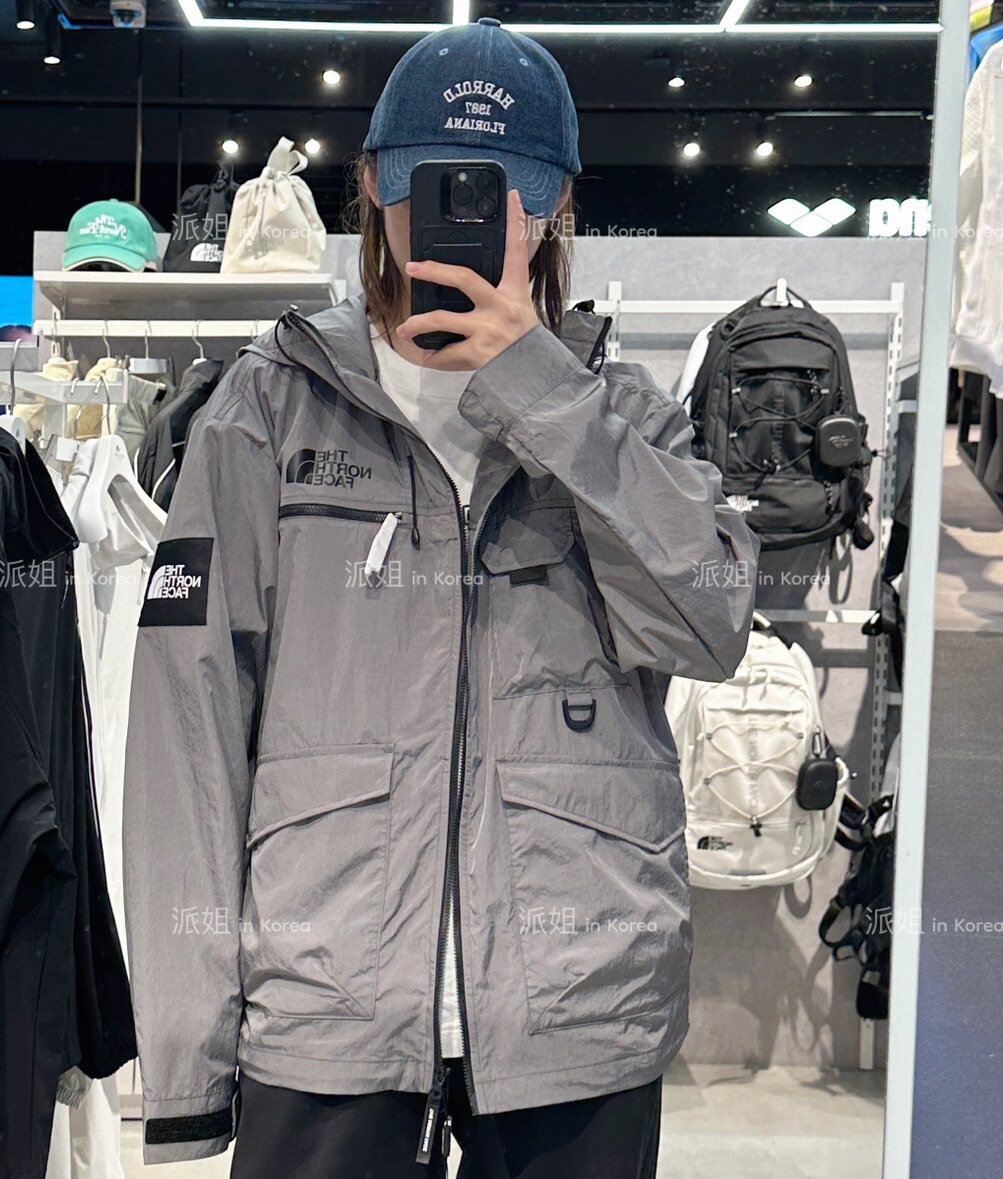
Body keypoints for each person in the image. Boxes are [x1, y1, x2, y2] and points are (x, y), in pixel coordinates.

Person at [123, 18, 758, 1179]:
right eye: (439, 184)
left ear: (553, 209)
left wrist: (543, 391)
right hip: (326, 1008)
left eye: (508, 192)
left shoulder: (621, 415)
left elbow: (709, 624)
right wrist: (187, 1055)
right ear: (374, 185)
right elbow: (186, 727)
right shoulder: (268, 408)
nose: (471, 219)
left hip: (579, 1009)